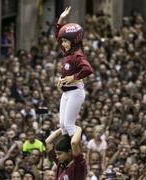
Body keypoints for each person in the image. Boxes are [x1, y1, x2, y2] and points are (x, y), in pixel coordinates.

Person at [56, 6, 93, 136]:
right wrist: (61, 19)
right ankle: (67, 151)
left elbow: (88, 69)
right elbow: (58, 35)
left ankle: (77, 152)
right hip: (66, 92)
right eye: (63, 41)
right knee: (62, 125)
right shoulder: (68, 50)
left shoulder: (77, 54)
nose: (63, 44)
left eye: (65, 41)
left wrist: (74, 77)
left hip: (75, 92)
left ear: (73, 41)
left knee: (69, 125)